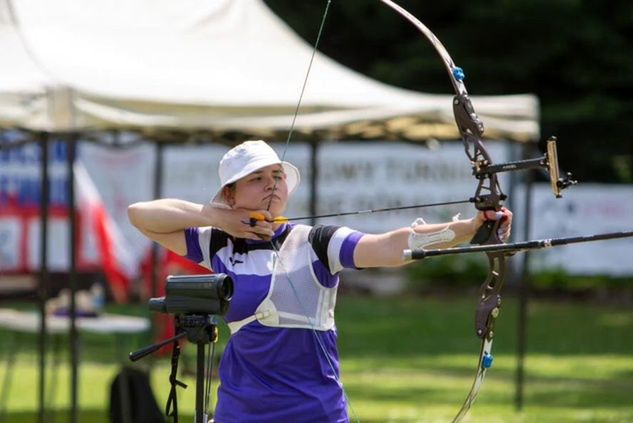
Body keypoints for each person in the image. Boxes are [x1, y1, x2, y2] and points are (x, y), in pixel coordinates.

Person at [128, 140, 512, 423]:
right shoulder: (216, 243)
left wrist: (467, 229)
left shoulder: (316, 242)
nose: (271, 185)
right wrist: (215, 217)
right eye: (257, 179)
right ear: (231, 194)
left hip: (314, 412)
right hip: (241, 411)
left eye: (277, 176)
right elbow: (141, 215)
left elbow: (389, 247)